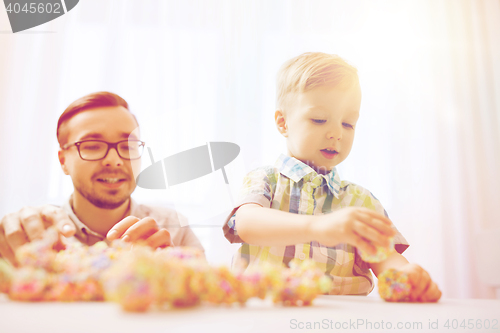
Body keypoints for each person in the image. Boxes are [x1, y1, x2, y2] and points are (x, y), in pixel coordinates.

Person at [223, 52, 441, 302]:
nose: (337, 133)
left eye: (348, 124)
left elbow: (387, 261)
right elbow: (246, 223)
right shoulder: (265, 179)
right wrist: (317, 227)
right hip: (267, 314)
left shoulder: (362, 202)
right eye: (319, 119)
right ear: (283, 123)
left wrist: (407, 277)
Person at [0, 92, 203, 265]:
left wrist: (175, 275)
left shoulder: (173, 230)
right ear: (63, 161)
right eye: (92, 145)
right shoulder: (31, 237)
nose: (114, 160)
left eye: (127, 146)